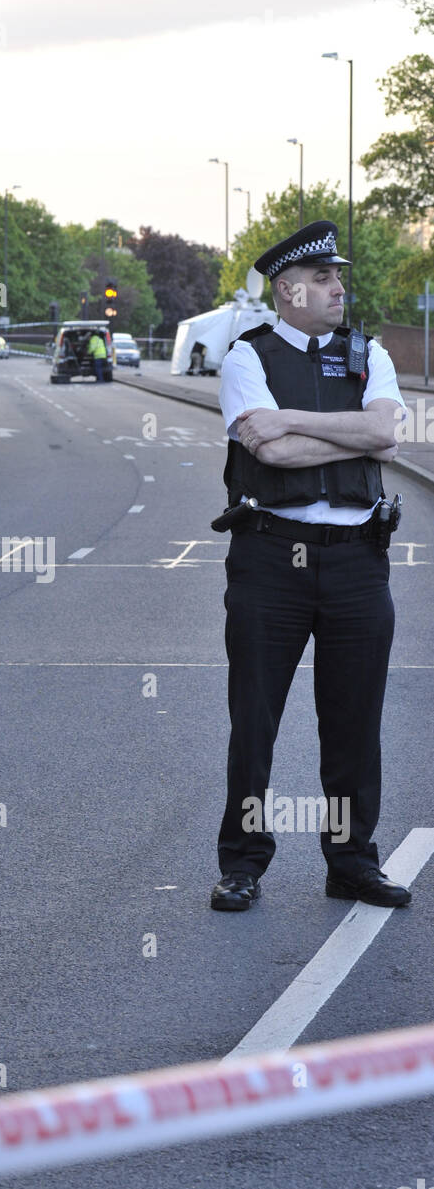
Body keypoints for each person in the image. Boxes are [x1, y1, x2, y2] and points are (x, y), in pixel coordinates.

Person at [210, 219, 410, 912]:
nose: (337, 287)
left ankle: (350, 861)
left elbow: (387, 432)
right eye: (323, 278)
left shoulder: (368, 354)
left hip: (357, 559)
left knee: (353, 721)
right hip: (269, 559)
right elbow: (270, 453)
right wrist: (354, 440)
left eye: (337, 276)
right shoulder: (246, 356)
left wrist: (296, 420)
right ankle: (242, 862)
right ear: (287, 289)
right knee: (254, 719)